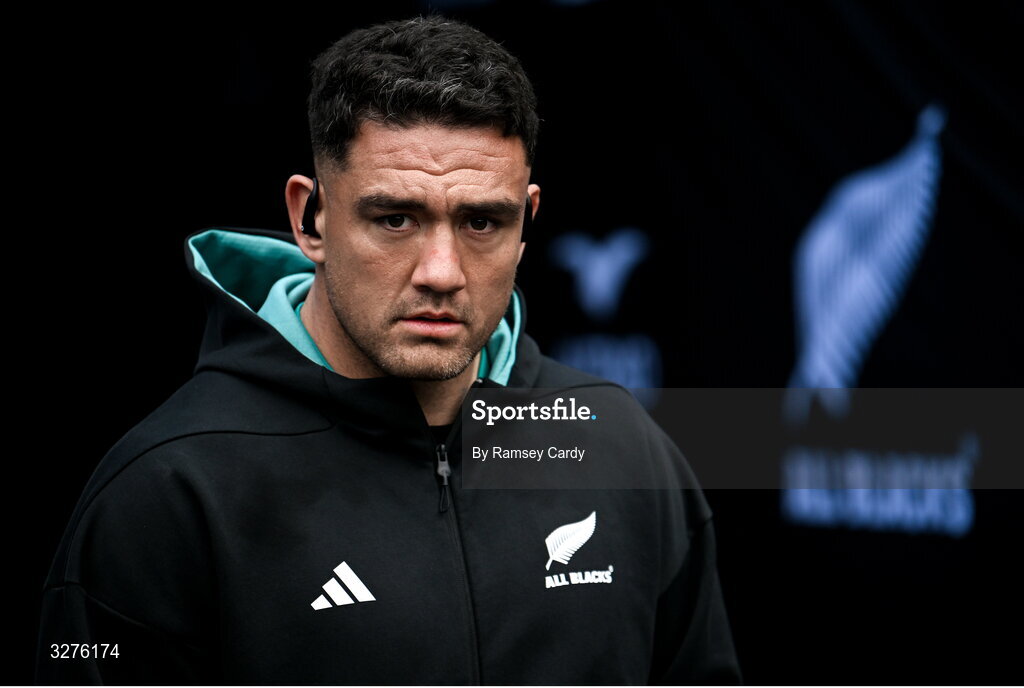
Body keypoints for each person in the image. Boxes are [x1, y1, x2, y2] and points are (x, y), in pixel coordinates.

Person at [36, 16, 741, 685]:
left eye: (481, 222)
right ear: (308, 217)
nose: (441, 270)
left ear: (527, 221)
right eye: (396, 218)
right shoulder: (171, 490)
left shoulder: (618, 447)